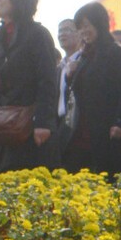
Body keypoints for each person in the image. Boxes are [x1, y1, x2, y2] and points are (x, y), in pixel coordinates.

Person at [0, 0, 57, 178]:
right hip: (0, 124)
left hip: (27, 125)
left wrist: (43, 123)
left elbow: (47, 80)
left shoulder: (38, 34)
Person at [62, 2, 121, 174]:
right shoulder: (84, 55)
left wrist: (119, 122)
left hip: (107, 127)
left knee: (106, 176)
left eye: (87, 26)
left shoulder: (116, 52)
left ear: (99, 23)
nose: (83, 31)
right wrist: (70, 76)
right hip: (84, 126)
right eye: (80, 27)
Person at [52, 18, 82, 167]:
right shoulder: (59, 67)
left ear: (79, 34)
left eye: (67, 30)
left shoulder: (84, 60)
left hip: (79, 125)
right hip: (61, 123)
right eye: (59, 31)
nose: (61, 34)